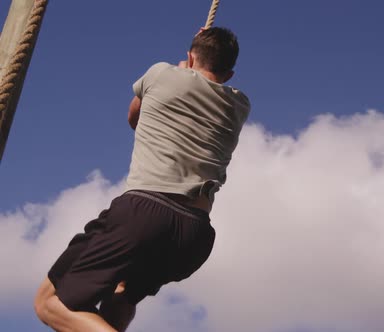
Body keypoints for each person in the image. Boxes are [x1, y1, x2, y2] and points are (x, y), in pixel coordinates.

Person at [33, 27, 250, 332]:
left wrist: (180, 70)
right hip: (194, 235)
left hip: (145, 213)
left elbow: (134, 118)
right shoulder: (240, 105)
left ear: (190, 56)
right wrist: (188, 70)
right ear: (229, 74)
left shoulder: (161, 74)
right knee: (120, 298)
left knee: (50, 302)